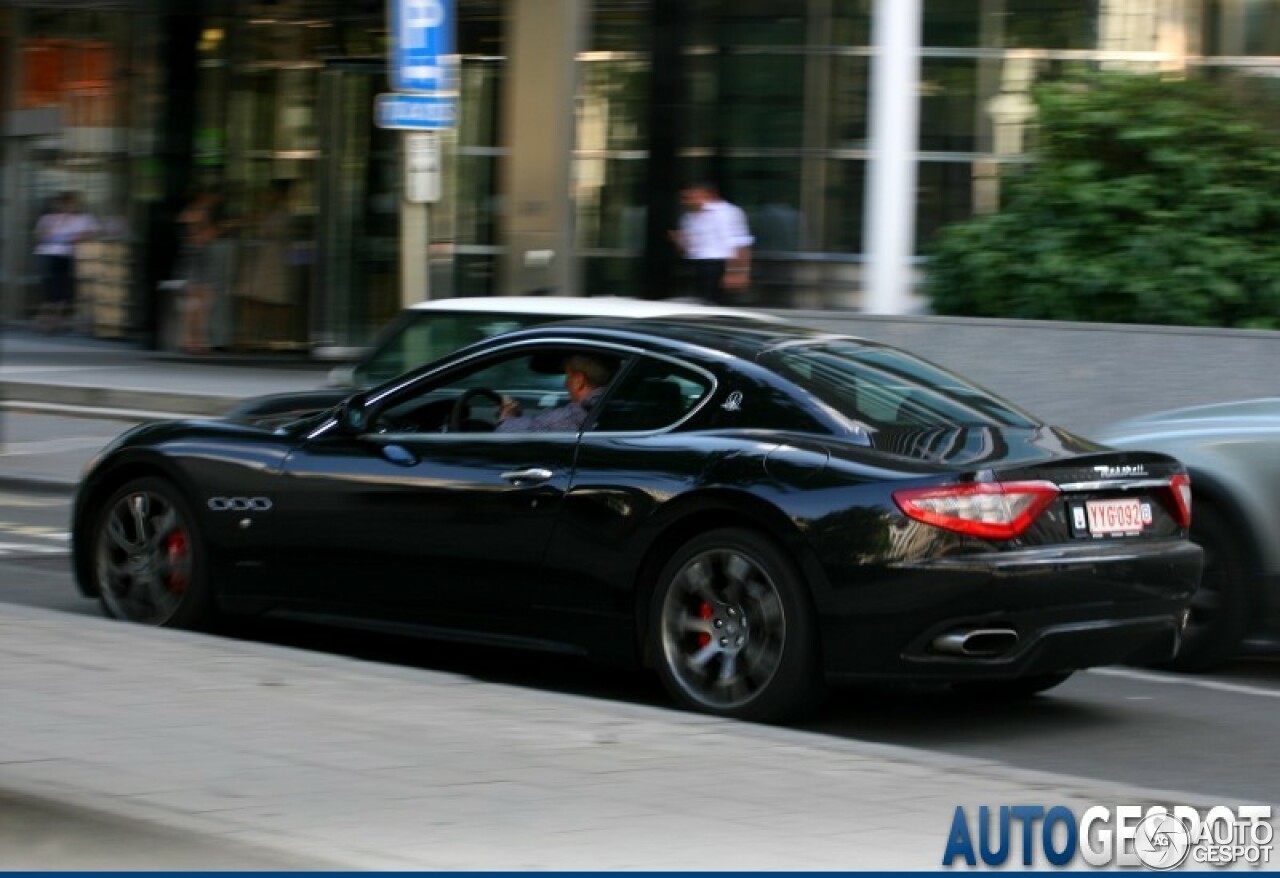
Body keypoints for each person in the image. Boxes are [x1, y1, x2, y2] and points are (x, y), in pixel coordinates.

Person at [670, 181, 754, 305]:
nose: (686, 201)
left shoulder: (727, 212)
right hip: (695, 265)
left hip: (719, 265)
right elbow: (687, 248)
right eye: (684, 198)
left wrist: (737, 272)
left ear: (707, 194)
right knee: (698, 303)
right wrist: (680, 241)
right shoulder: (688, 217)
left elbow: (739, 244)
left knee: (717, 305)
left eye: (690, 197)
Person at [33, 192, 99, 333]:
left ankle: (56, 321)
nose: (66, 207)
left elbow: (89, 233)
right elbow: (40, 236)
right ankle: (45, 321)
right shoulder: (48, 218)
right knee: (49, 289)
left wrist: (71, 238)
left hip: (68, 256)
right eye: (63, 203)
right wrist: (54, 233)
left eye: (70, 204)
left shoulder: (82, 219)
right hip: (48, 254)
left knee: (63, 289)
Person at [495, 354, 614, 433]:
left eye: (568, 376)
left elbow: (509, 432)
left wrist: (507, 417)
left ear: (579, 381)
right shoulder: (612, 404)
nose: (565, 384)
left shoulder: (577, 414)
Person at [176, 185, 228, 354]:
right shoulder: (195, 214)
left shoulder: (197, 214)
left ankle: (196, 340)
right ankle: (192, 340)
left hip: (200, 259)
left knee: (201, 304)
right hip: (197, 261)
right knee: (197, 304)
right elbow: (202, 237)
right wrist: (218, 230)